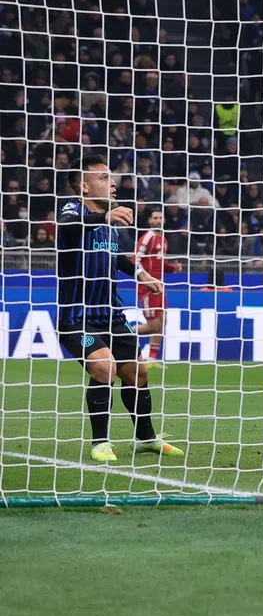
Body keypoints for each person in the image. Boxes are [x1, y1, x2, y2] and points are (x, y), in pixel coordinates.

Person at [57, 154, 181, 462]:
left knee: (137, 373)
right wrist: (105, 218)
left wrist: (142, 274)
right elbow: (68, 228)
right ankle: (100, 443)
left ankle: (146, 439)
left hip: (111, 314)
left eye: (111, 177)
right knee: (104, 366)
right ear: (84, 187)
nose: (113, 183)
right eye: (103, 178)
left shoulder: (109, 221)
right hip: (77, 317)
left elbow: (117, 257)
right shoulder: (73, 210)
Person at [133, 207, 180, 369]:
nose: (158, 221)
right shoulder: (148, 237)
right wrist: (145, 279)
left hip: (159, 287)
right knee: (153, 326)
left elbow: (162, 263)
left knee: (163, 321)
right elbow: (135, 260)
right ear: (150, 220)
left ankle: (152, 358)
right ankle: (120, 334)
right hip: (148, 288)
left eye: (160, 218)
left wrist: (173, 268)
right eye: (155, 218)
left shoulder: (163, 240)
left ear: (164, 220)